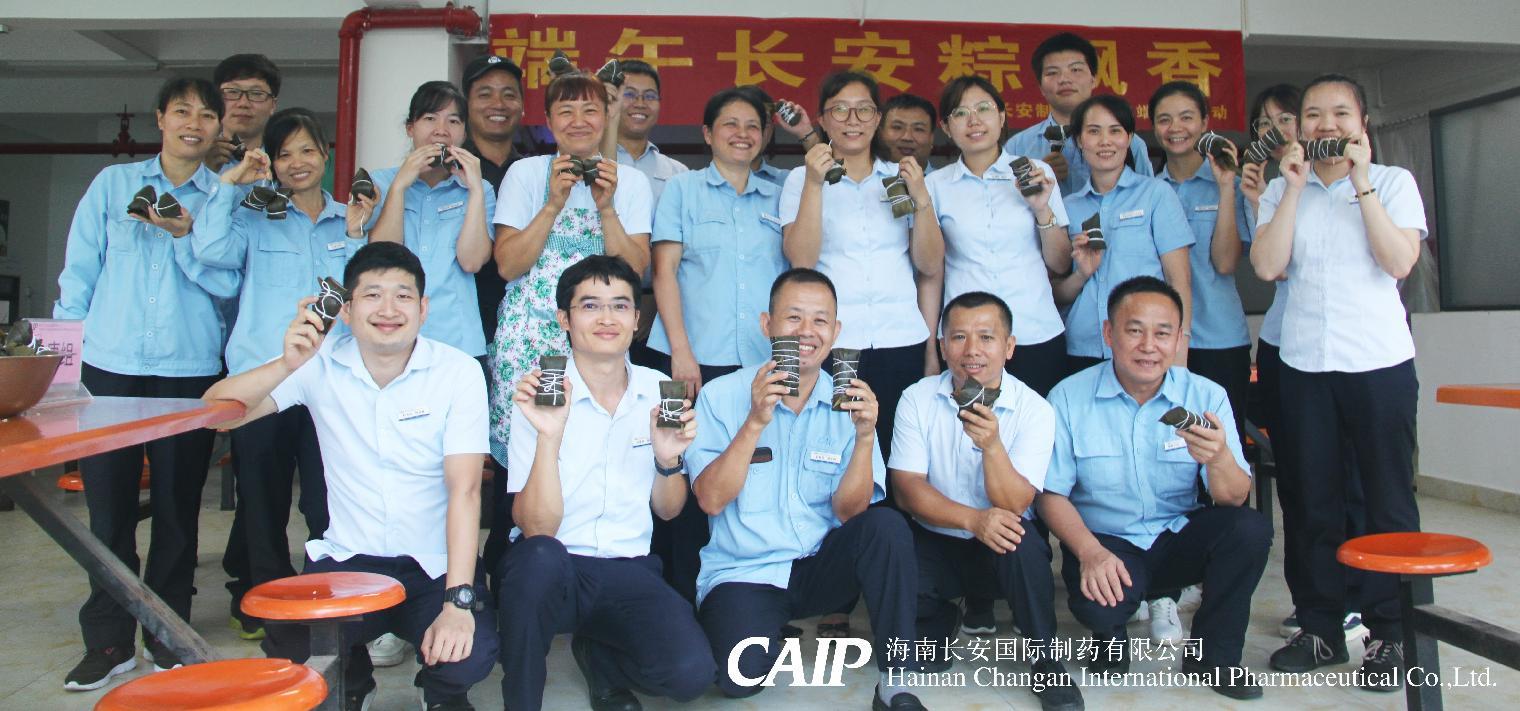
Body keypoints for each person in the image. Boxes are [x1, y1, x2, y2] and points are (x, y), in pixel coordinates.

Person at [204, 242, 498, 710]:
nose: (388, 310)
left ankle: (442, 694)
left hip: (435, 564)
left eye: (403, 296)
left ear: (423, 309)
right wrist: (286, 364)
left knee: (469, 651)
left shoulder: (458, 371)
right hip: (348, 562)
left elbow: (464, 491)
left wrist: (457, 601)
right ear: (346, 310)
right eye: (372, 295)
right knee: (291, 641)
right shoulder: (319, 365)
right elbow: (216, 416)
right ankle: (353, 681)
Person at [54, 77, 239, 691]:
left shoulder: (225, 197)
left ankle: (168, 635)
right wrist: (65, 364)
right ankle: (108, 640)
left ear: (218, 128)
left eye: (207, 115)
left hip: (189, 371)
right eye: (182, 111)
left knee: (178, 513)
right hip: (109, 368)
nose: (194, 123)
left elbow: (230, 284)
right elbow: (79, 273)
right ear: (160, 118)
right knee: (107, 513)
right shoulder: (113, 185)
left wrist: (188, 237)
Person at [1252, 74, 1426, 692]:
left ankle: (1391, 633)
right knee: (1309, 501)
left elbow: (1399, 261)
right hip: (1304, 365)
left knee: (1386, 500)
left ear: (1362, 124)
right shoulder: (1282, 189)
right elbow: (1267, 266)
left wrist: (1362, 183)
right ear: (1298, 126)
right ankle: (1320, 626)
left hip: (1379, 364)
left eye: (1340, 113)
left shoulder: (1393, 183)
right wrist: (1294, 189)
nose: (1326, 124)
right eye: (1313, 114)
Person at [689, 268, 926, 709]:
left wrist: (865, 437)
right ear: (767, 325)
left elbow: (852, 513)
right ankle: (768, 633)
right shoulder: (721, 396)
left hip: (821, 566)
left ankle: (897, 678)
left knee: (887, 526)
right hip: (748, 571)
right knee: (738, 679)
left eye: (820, 321)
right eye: (793, 317)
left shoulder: (848, 401)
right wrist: (755, 422)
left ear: (835, 332)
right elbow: (711, 499)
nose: (806, 331)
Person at [496, 255, 715, 711]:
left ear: (637, 319)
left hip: (628, 565)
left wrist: (667, 460)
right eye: (590, 305)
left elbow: (669, 510)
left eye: (620, 305)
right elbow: (536, 527)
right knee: (536, 560)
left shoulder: (659, 389)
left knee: (691, 674)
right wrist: (549, 436)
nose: (607, 318)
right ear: (565, 318)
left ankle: (601, 657)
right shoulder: (541, 391)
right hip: (555, 567)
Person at [1039, 276, 1269, 701]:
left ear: (1179, 339)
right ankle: (1109, 636)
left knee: (1249, 530)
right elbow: (1050, 494)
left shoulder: (1205, 395)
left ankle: (1215, 657)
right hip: (1106, 542)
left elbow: (1233, 498)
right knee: (1099, 607)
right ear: (1109, 333)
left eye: (1162, 333)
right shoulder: (1068, 397)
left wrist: (1218, 457)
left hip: (1176, 536)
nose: (1149, 346)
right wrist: (1089, 552)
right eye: (1134, 330)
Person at [192, 108, 374, 642]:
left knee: (326, 499)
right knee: (262, 502)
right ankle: (273, 612)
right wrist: (229, 184)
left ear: (325, 154)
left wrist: (357, 233)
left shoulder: (348, 219)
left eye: (307, 150)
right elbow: (209, 250)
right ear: (270, 162)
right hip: (265, 380)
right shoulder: (253, 216)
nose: (298, 162)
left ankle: (330, 602)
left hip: (330, 384)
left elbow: (364, 292)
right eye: (284, 153)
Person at [891, 291, 1084, 711]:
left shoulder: (1034, 409)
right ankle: (942, 617)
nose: (972, 350)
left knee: (1022, 542)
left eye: (986, 337)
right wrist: (973, 520)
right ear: (942, 346)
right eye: (959, 337)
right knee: (899, 561)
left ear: (1009, 347)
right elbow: (907, 488)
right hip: (937, 538)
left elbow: (1016, 502)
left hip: (1001, 542)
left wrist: (993, 446)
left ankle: (1045, 660)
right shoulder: (917, 398)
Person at [646, 87, 790, 601]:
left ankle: (747, 591)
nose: (742, 134)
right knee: (679, 468)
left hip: (759, 360)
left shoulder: (782, 193)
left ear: (766, 134)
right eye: (730, 124)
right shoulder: (682, 191)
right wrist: (681, 351)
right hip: (687, 359)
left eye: (753, 125)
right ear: (707, 134)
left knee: (752, 472)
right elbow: (664, 272)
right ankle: (677, 595)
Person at [1240, 84, 1370, 646]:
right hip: (1285, 343)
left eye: (1289, 118)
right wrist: (1256, 199)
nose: (1280, 131)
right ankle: (1317, 603)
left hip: (1351, 350)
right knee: (1301, 479)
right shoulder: (1276, 188)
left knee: (1355, 479)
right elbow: (1271, 266)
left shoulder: (1361, 184)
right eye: (1265, 124)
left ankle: (1362, 600)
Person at [489, 70, 653, 469]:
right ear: (548, 120)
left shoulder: (630, 182)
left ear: (606, 117)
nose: (578, 121)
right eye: (566, 111)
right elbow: (508, 265)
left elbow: (635, 270)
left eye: (590, 110)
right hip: (532, 341)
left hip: (601, 338)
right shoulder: (525, 174)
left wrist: (606, 207)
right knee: (530, 455)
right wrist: (552, 203)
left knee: (594, 454)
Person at [781, 70, 944, 462]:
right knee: (836, 447)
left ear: (878, 119)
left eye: (863, 110)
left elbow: (929, 263)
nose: (852, 120)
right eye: (840, 110)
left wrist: (922, 200)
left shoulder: (902, 178)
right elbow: (801, 261)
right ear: (822, 120)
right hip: (837, 343)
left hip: (900, 338)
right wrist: (815, 185)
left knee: (898, 449)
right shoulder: (801, 179)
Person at [927, 74, 1071, 397]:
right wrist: (930, 347)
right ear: (946, 127)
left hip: (1034, 328)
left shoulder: (1035, 172)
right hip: (968, 341)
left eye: (984, 109)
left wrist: (1041, 209)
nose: (974, 121)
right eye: (960, 113)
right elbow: (932, 273)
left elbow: (1060, 263)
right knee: (969, 424)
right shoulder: (934, 186)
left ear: (1002, 117)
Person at [1053, 95, 1192, 375]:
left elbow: (1179, 280)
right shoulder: (1067, 207)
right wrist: (1081, 274)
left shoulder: (1156, 194)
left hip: (1146, 348)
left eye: (1115, 131)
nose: (1105, 141)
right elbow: (1058, 294)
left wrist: (1180, 352)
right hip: (1082, 347)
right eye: (1094, 131)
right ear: (1079, 140)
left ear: (1128, 138)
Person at [368, 80, 496, 363]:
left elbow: (472, 261)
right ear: (410, 128)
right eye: (430, 118)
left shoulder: (480, 189)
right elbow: (380, 259)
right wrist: (400, 186)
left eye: (453, 121)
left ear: (464, 133)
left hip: (458, 340)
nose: (441, 130)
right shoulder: (381, 183)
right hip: (392, 333)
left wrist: (475, 190)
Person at [1150, 81, 1250, 433]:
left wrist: (1224, 187)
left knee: (1221, 442)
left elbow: (1225, 263)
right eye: (1164, 119)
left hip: (1219, 337)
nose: (1175, 128)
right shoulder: (1147, 190)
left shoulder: (1232, 185)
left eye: (1186, 117)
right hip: (1159, 340)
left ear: (1206, 122)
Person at [1002, 32, 1153, 196]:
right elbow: (1004, 202)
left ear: (1093, 79)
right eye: (1052, 72)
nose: (1064, 79)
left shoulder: (1128, 143)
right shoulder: (1017, 146)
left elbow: (1148, 196)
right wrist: (1037, 177)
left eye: (1075, 69)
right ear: (1041, 88)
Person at [612, 59, 690, 203]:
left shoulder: (678, 173)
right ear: (610, 100)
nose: (640, 104)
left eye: (650, 96)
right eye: (629, 94)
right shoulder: (591, 164)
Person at [205, 53, 281, 173]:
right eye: (232, 92)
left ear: (273, 105)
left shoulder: (285, 161)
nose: (243, 103)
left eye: (256, 93)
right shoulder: (194, 158)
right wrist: (204, 171)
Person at [734, 84, 820, 188]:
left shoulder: (789, 183)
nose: (744, 133)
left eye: (760, 123)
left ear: (770, 131)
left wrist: (805, 131)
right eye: (733, 123)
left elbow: (833, 182)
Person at [879, 93, 937, 171]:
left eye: (918, 129)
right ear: (880, 133)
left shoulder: (944, 179)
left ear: (932, 138)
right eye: (897, 127)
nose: (907, 137)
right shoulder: (864, 178)